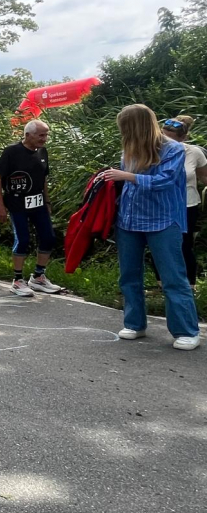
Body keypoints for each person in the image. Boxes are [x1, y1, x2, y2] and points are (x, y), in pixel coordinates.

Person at [102, 104, 200, 349]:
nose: (123, 132)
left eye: (125, 127)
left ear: (136, 126)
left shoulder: (173, 149)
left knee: (173, 276)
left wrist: (128, 176)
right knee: (129, 275)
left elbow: (165, 180)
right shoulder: (129, 148)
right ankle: (135, 324)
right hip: (129, 219)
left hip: (163, 219)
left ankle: (186, 330)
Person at [0, 120, 62, 297]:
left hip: (38, 203)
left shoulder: (42, 152)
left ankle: (38, 277)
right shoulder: (11, 152)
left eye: (46, 135)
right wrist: (0, 206)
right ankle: (17, 280)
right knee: (22, 239)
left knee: (48, 237)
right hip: (17, 203)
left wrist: (47, 201)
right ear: (28, 135)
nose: (44, 139)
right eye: (41, 135)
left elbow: (43, 178)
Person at [160, 116, 207, 287]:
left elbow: (204, 177)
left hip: (187, 205)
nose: (165, 142)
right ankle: (162, 284)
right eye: (163, 137)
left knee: (184, 245)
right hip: (160, 204)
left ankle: (189, 284)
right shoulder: (153, 150)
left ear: (184, 138)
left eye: (170, 139)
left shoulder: (194, 152)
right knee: (160, 244)